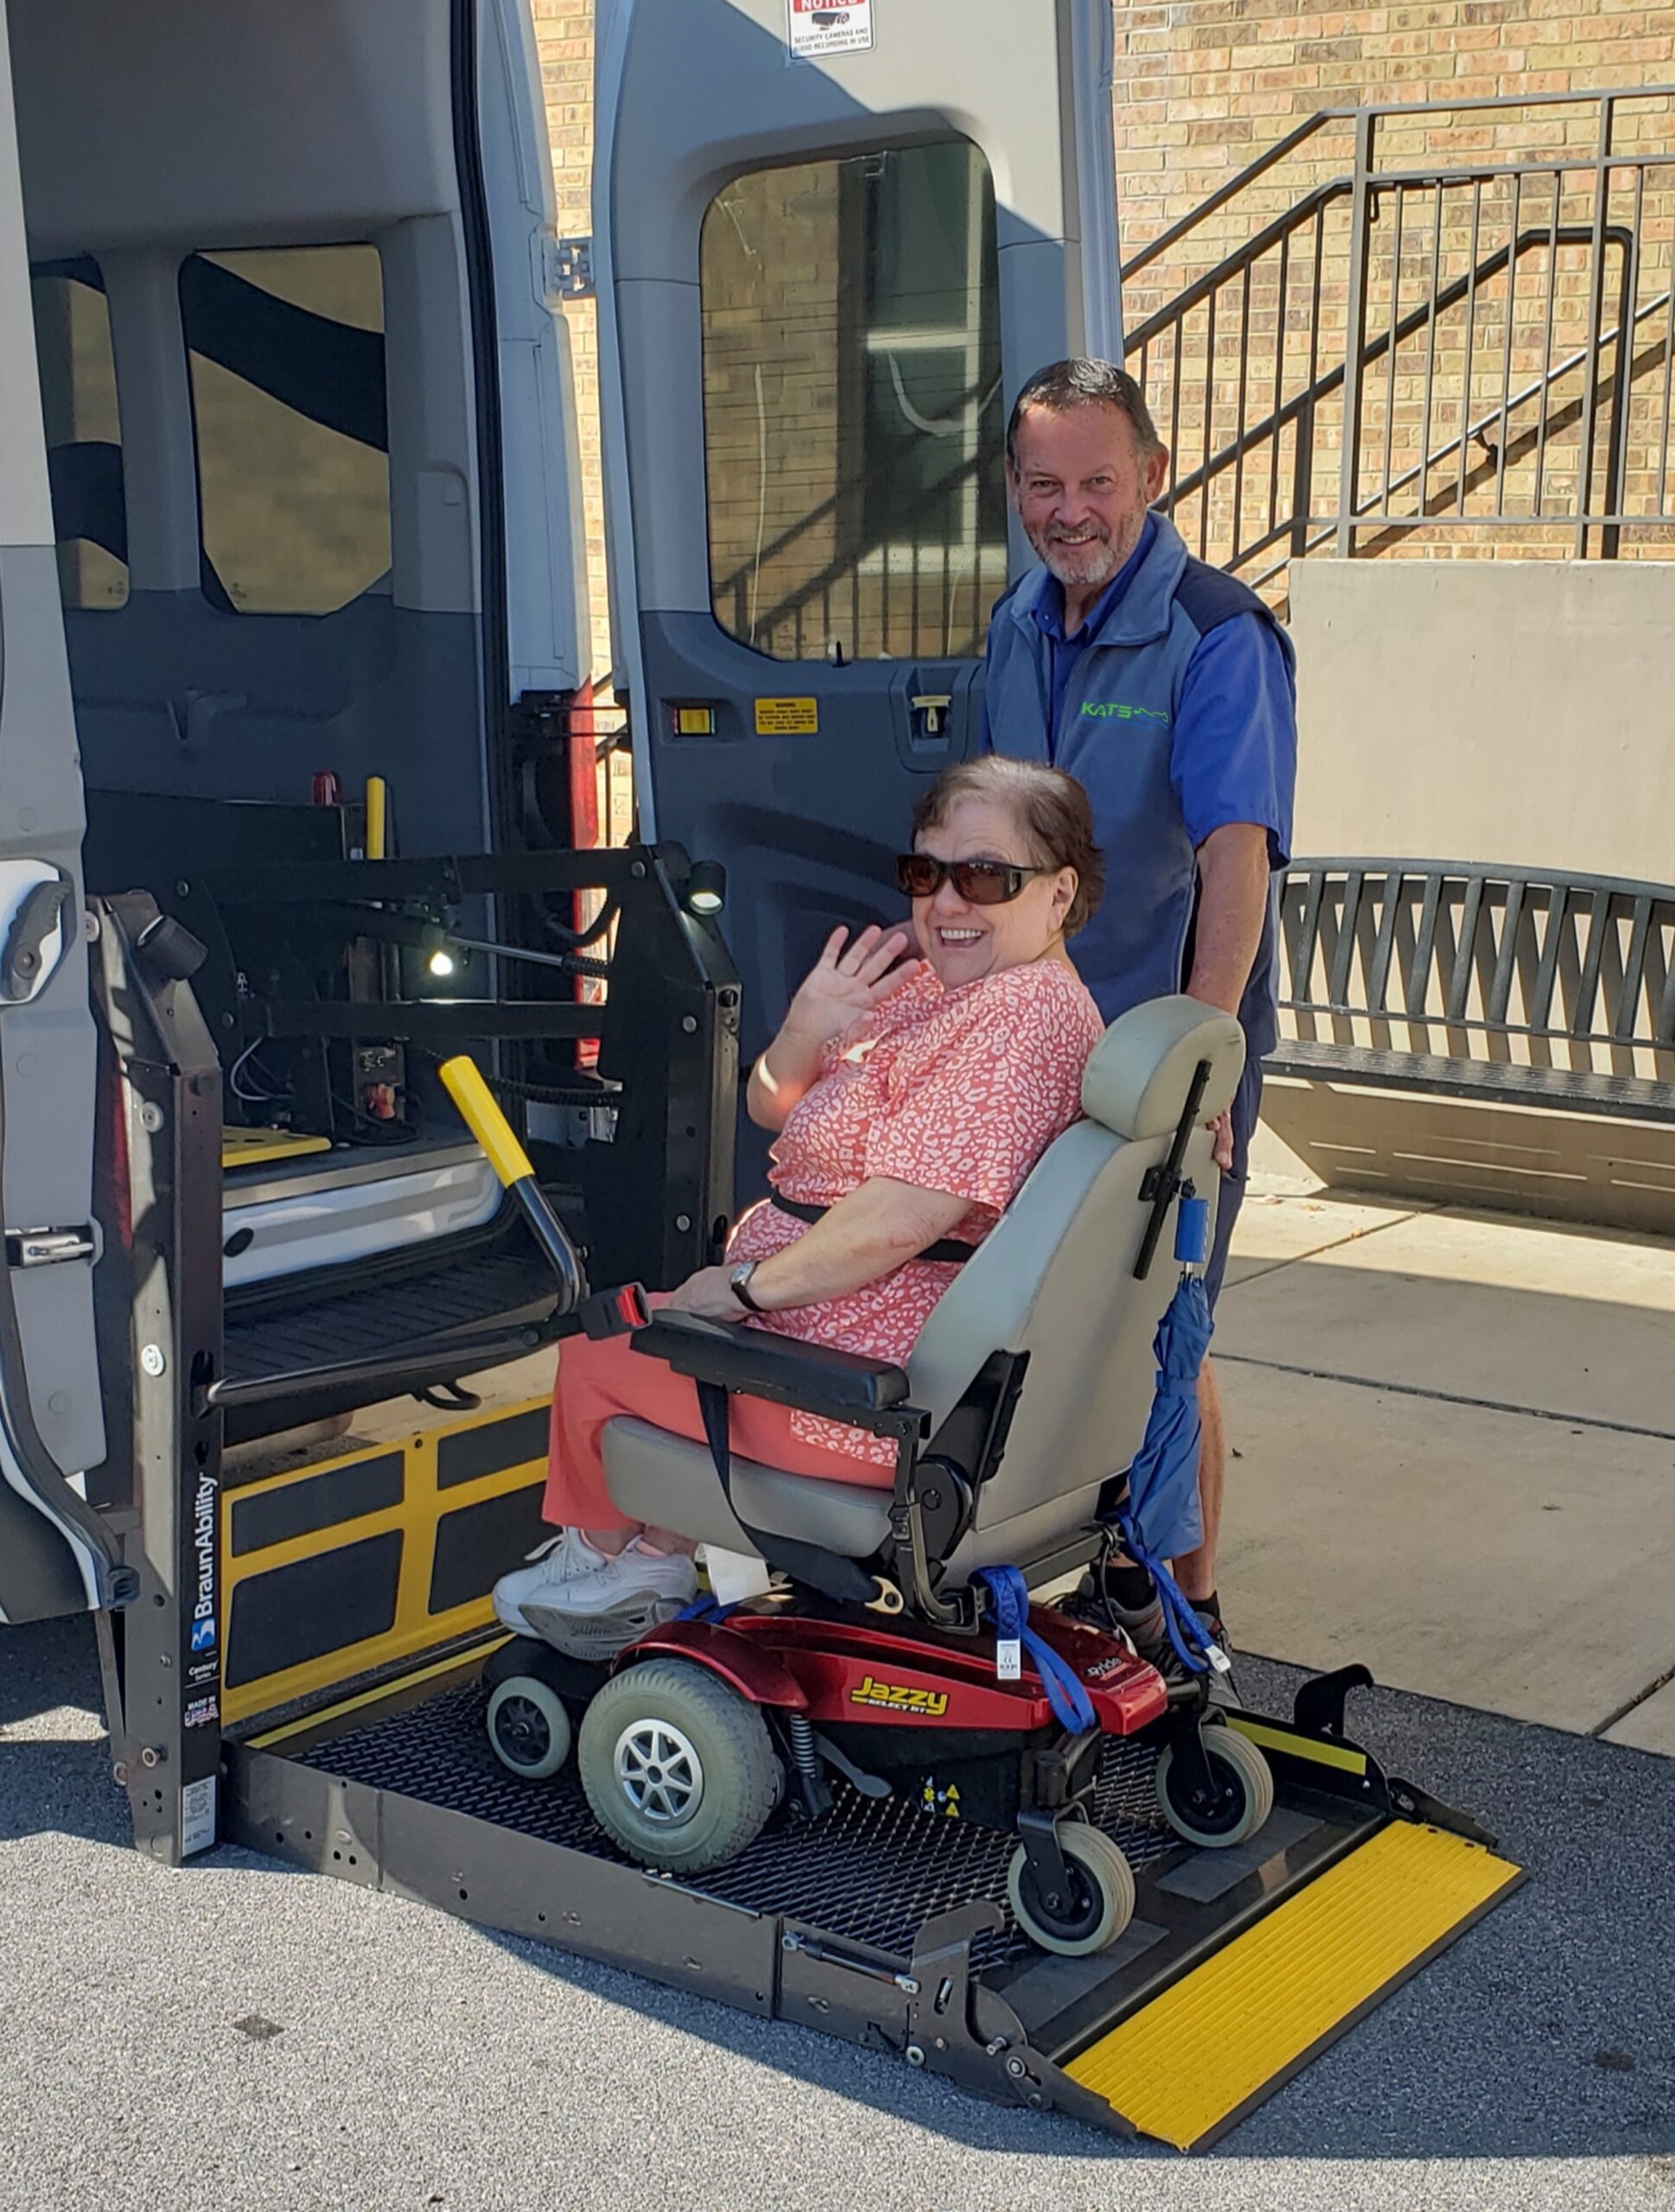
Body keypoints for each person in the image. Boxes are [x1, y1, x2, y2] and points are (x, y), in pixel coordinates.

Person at [493, 755, 1107, 1653]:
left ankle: (620, 1561)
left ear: (1058, 895)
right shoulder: (942, 987)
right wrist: (809, 1027)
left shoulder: (1016, 1021)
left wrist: (741, 1288)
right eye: (925, 872)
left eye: (984, 876)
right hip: (841, 1332)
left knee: (601, 1355)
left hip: (869, 1389)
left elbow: (902, 1218)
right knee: (650, 1328)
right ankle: (648, 1547)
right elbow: (777, 1104)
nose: (946, 901)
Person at [982, 357, 1298, 1662]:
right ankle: (1094, 1566)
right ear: (1013, 491)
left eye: (1096, 481)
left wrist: (1197, 1068)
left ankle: (1190, 1602)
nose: (1070, 509)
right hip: (1040, 1043)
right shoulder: (1013, 624)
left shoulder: (1216, 634)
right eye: (1043, 484)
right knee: (1057, 1311)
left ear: (1152, 480)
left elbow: (1238, 858)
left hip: (1167, 1053)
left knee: (1167, 1318)